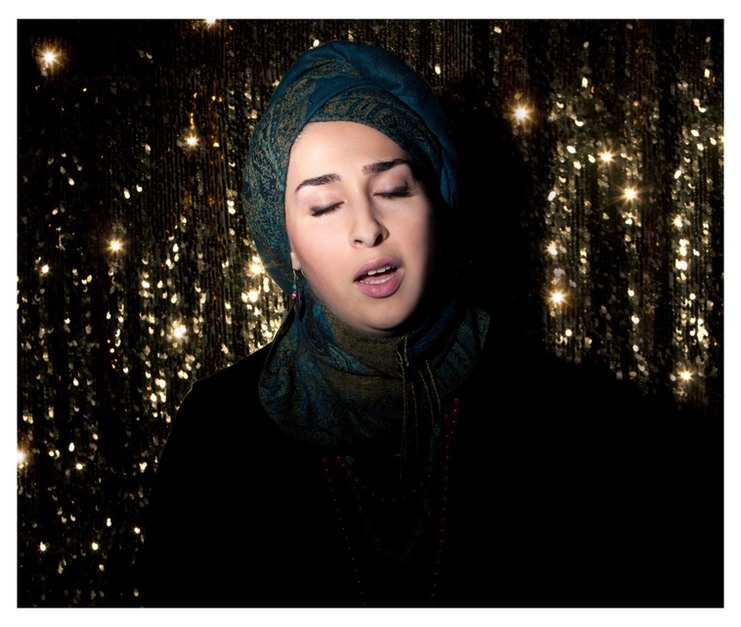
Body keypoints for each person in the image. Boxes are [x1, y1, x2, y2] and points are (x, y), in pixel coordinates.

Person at [137, 40, 722, 608]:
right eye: (325, 205)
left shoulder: (568, 420)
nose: (367, 228)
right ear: (283, 241)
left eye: (393, 189)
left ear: (435, 202)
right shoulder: (219, 433)